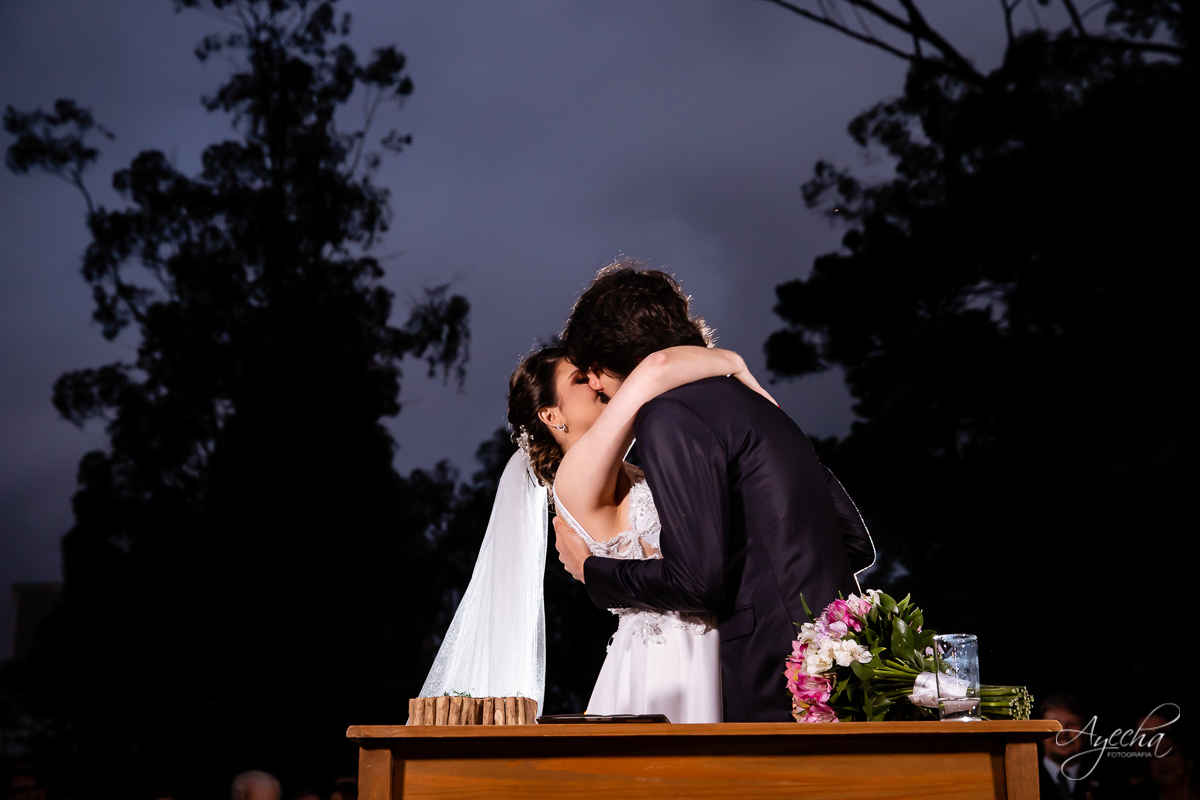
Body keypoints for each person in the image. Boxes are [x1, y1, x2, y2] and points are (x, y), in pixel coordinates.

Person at [553, 260, 876, 722]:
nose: (598, 387)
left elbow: (698, 583)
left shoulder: (668, 417)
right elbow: (855, 543)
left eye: (594, 373)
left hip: (772, 674)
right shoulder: (761, 406)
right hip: (844, 662)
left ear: (605, 364)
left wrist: (594, 572)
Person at [416, 337, 774, 720]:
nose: (595, 381)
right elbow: (654, 371)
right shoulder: (574, 477)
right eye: (578, 378)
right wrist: (733, 362)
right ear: (552, 416)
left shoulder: (629, 472)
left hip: (708, 640)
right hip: (666, 659)